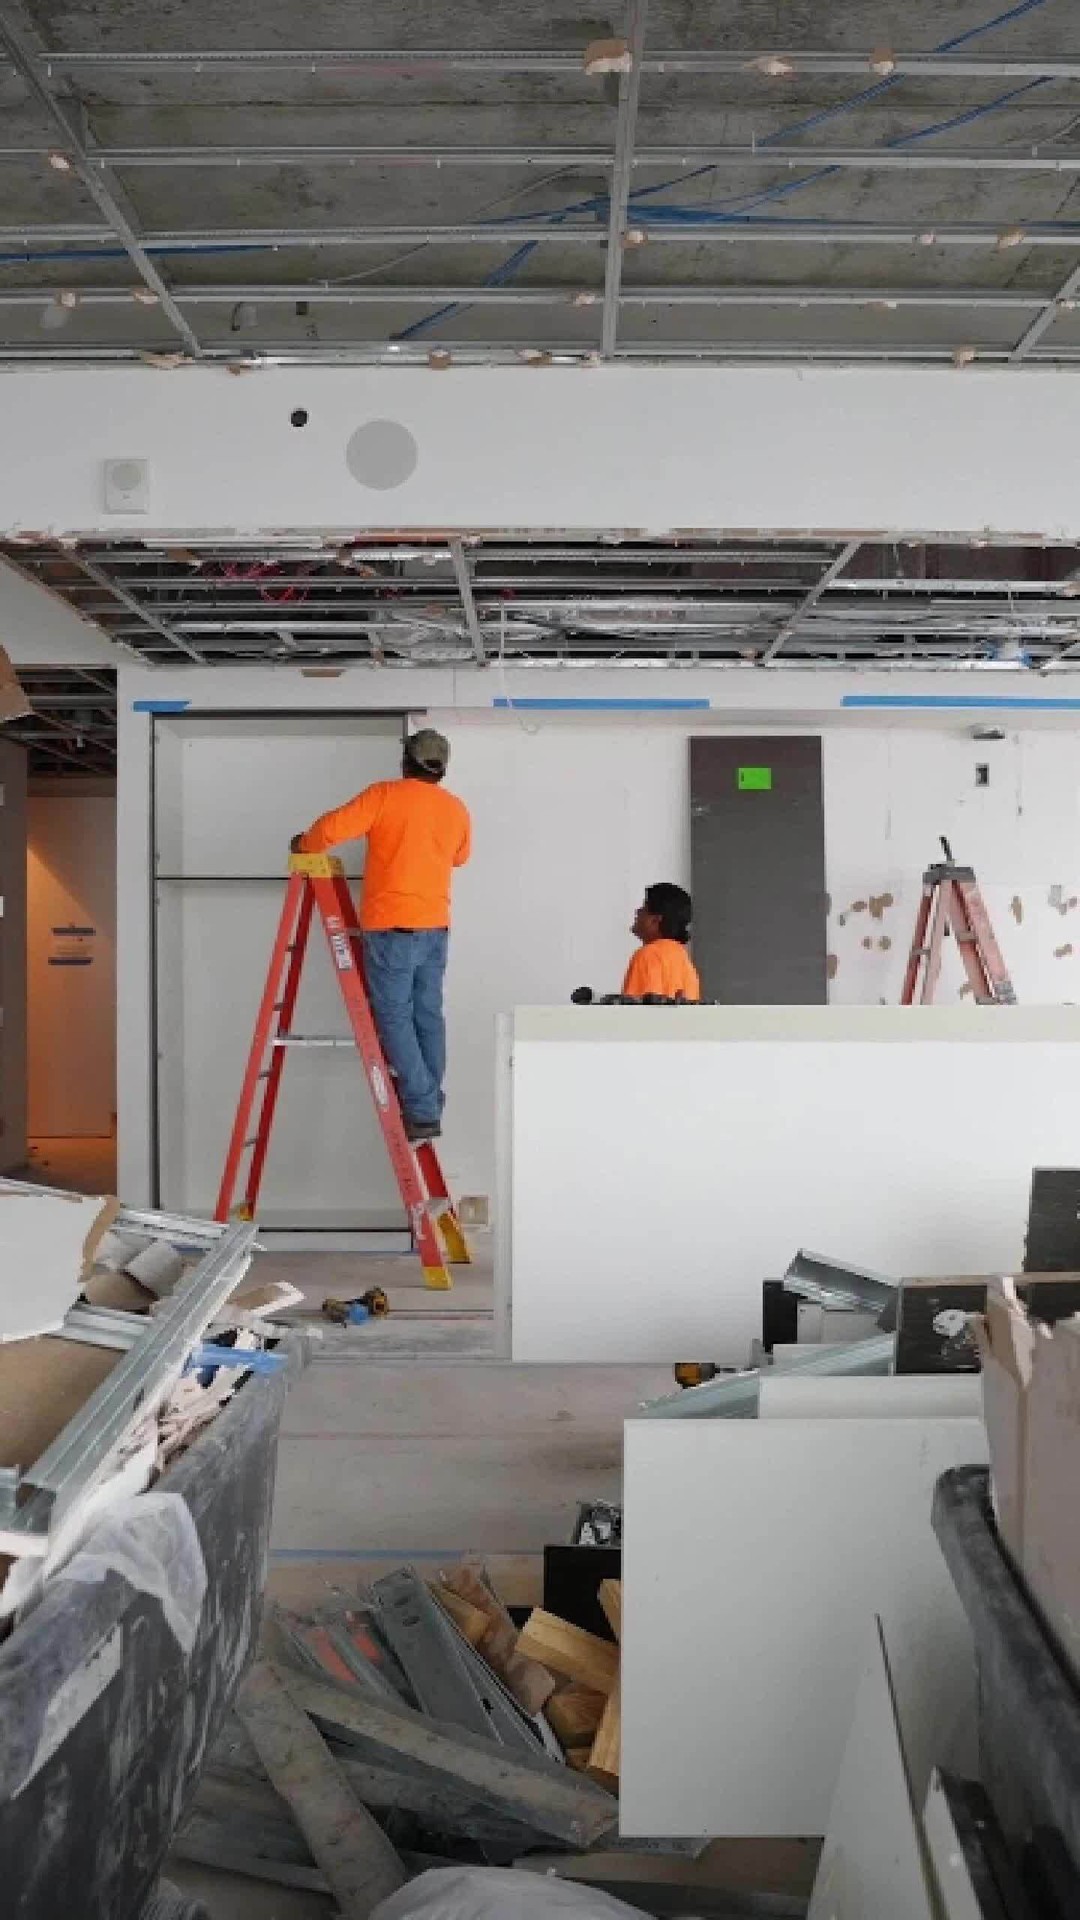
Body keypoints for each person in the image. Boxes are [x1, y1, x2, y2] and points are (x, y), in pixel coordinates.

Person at [292, 729, 471, 1141]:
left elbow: (330, 831)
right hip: (435, 926)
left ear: (405, 760)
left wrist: (303, 843)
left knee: (394, 1016)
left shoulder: (385, 795)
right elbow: (461, 856)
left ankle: (424, 1107)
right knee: (427, 1014)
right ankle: (429, 1104)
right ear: (442, 769)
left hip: (393, 927)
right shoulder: (455, 808)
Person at [622, 882, 701, 1001]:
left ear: (656, 920)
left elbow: (633, 1013)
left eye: (644, 908)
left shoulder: (648, 955)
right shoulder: (685, 962)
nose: (637, 911)